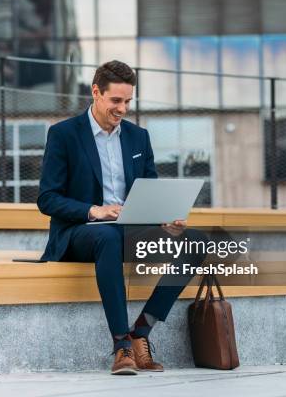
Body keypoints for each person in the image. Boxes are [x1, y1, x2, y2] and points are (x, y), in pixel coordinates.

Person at [37, 60, 207, 375]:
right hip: (81, 232)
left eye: (128, 101)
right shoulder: (64, 134)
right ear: (96, 93)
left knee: (198, 242)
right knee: (108, 235)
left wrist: (164, 219)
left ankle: (141, 332)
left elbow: (150, 190)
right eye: (116, 100)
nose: (123, 109)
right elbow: (47, 198)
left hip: (127, 229)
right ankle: (121, 346)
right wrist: (94, 210)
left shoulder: (137, 138)